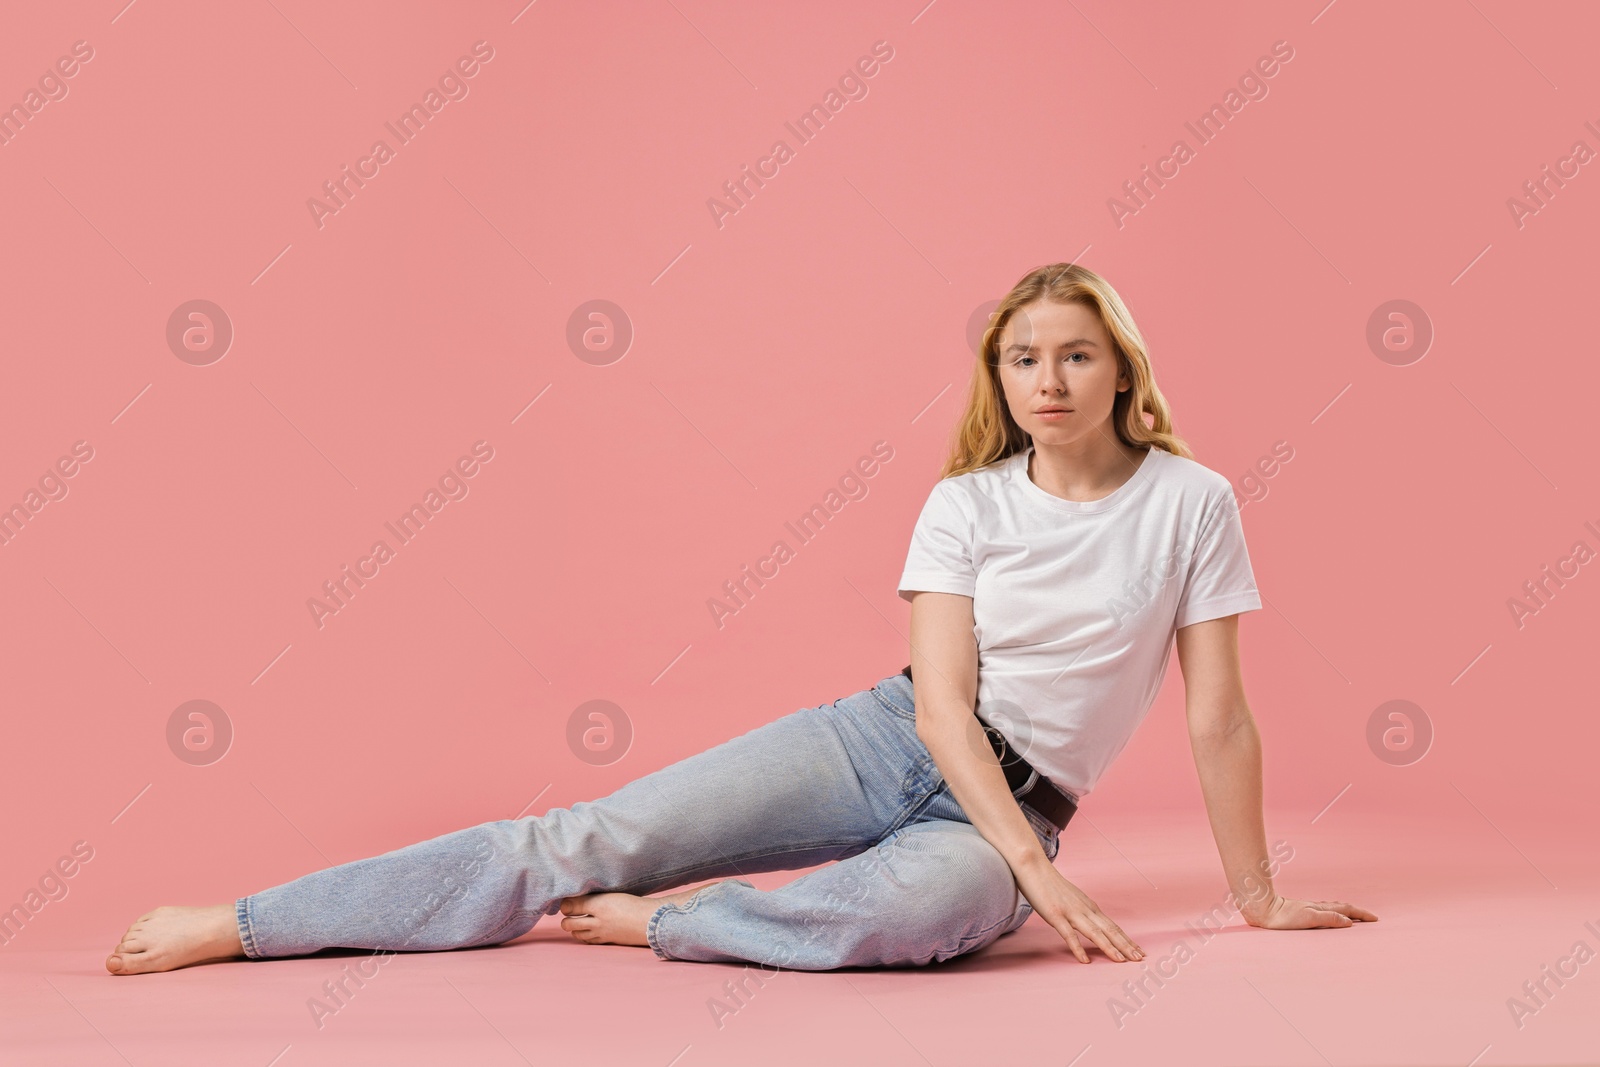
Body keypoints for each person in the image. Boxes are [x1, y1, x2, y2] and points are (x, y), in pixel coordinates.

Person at [105, 262, 1375, 976]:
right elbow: (939, 704)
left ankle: (674, 922)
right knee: (583, 832)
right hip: (887, 739)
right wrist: (1040, 876)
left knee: (913, 918)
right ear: (998, 375)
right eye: (1021, 357)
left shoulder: (1192, 502)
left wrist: (1255, 896)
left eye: (1076, 354)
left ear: (1123, 370)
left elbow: (1220, 714)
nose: (1046, 379)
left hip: (1022, 801)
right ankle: (246, 920)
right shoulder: (966, 504)